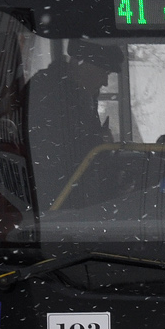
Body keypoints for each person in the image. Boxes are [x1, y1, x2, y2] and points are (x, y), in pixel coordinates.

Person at [24, 41, 122, 208]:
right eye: (104, 72)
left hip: (72, 200)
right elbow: (51, 155)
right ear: (80, 63)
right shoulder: (47, 92)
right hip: (54, 205)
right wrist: (98, 142)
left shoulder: (79, 92)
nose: (106, 82)